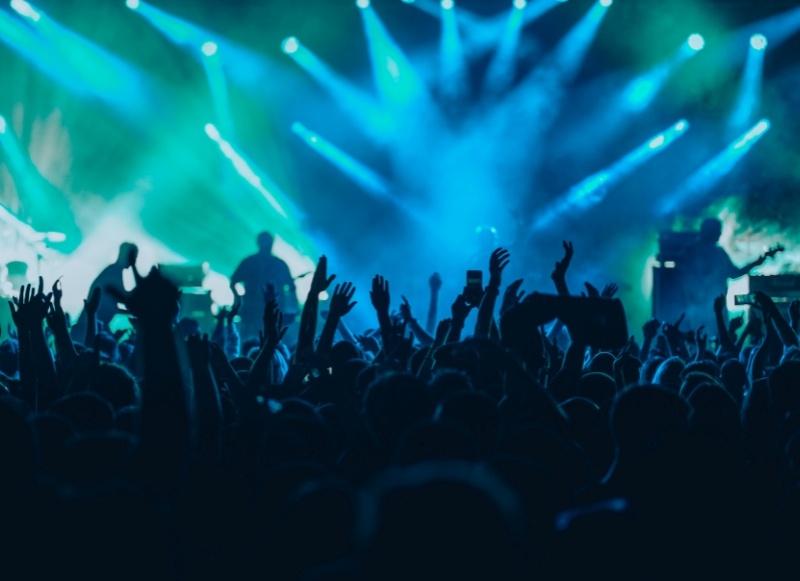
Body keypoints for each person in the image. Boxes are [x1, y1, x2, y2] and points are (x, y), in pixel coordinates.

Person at [678, 218, 778, 331]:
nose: (720, 233)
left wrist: (759, 261)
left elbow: (734, 273)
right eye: (718, 230)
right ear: (708, 231)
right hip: (698, 308)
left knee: (721, 335)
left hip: (719, 305)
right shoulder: (691, 251)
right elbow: (684, 280)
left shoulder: (719, 252)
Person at [230, 232, 298, 340]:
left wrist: (239, 300)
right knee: (255, 337)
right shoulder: (277, 264)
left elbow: (291, 287)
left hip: (268, 308)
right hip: (254, 307)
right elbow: (291, 288)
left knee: (259, 337)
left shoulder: (250, 262)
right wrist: (238, 300)